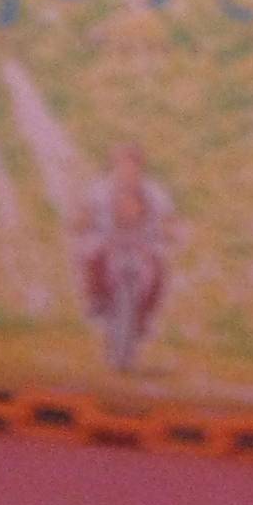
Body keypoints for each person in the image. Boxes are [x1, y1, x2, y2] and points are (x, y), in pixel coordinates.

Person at [78, 145, 180, 375]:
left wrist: (171, 231)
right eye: (121, 164)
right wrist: (82, 222)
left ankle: (144, 317)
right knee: (92, 257)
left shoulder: (154, 191)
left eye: (132, 164)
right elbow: (84, 212)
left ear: (140, 166)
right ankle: (97, 299)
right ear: (114, 165)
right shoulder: (100, 188)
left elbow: (169, 219)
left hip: (142, 244)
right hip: (108, 241)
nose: (126, 169)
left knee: (157, 273)